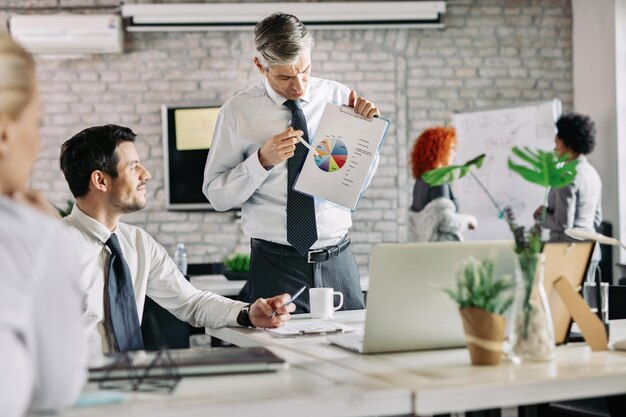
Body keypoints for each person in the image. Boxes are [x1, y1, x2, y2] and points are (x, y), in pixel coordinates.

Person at [59, 124, 295, 357]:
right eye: (133, 168)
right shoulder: (51, 248)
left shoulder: (138, 243)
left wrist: (247, 313)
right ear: (100, 181)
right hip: (76, 387)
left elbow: (190, 302)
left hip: (133, 383)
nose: (146, 175)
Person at [203, 13, 380, 313]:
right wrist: (261, 161)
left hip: (338, 259)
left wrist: (366, 136)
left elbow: (355, 183)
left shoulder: (338, 97)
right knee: (277, 356)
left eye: (305, 71)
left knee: (351, 353)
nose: (298, 86)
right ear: (260, 65)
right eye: (285, 76)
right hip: (274, 264)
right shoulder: (237, 113)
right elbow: (217, 196)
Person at [0, 35, 87, 416]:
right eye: (36, 123)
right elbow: (57, 390)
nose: (36, 142)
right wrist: (52, 237)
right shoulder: (28, 235)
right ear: (4, 134)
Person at [534, 112, 602, 281]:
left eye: (557, 142)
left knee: (563, 306)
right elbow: (596, 219)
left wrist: (541, 215)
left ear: (567, 143)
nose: (554, 148)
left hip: (566, 254)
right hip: (591, 252)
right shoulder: (592, 173)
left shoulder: (565, 175)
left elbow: (563, 224)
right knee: (584, 306)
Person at [408, 126, 477, 242]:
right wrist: (468, 220)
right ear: (440, 150)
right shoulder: (439, 181)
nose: (454, 154)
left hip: (425, 250)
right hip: (443, 249)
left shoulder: (420, 182)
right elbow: (445, 220)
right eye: (451, 149)